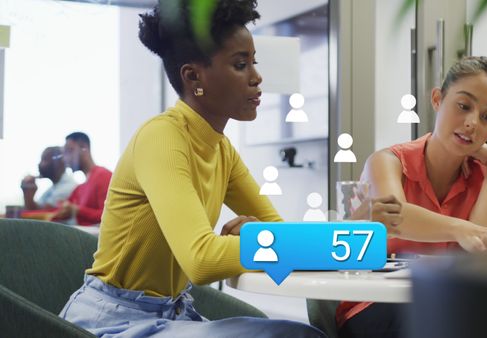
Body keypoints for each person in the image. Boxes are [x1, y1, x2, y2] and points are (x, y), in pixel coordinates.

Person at [58, 1, 400, 337]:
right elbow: (202, 259)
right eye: (240, 65)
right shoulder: (161, 137)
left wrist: (336, 231)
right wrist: (282, 239)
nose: (256, 76)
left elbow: (280, 233)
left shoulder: (221, 149)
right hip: (112, 320)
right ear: (194, 77)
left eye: (253, 62)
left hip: (175, 312)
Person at [336, 56, 487, 338]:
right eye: (463, 106)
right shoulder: (388, 161)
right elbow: (398, 216)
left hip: (448, 305)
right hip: (377, 306)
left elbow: (481, 251)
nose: (472, 123)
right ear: (438, 99)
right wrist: (462, 229)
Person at [52, 132, 112, 226]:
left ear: (84, 147)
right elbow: (56, 212)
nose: (65, 159)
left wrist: (77, 210)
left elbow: (109, 216)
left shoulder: (103, 175)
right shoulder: (79, 188)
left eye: (69, 150)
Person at [21, 146, 77, 210]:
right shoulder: (53, 187)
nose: (39, 164)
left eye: (44, 160)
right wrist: (27, 192)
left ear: (58, 163)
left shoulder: (67, 187)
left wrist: (28, 193)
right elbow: (36, 209)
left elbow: (41, 215)